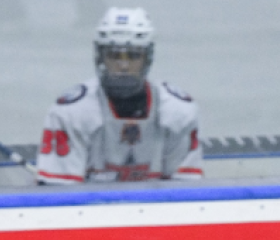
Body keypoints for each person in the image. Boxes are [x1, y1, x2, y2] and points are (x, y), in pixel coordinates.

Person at [36, 7, 203, 185]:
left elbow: (185, 193)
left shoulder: (177, 112)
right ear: (100, 57)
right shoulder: (71, 113)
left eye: (133, 56)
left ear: (147, 58)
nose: (123, 66)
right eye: (114, 55)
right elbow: (59, 197)